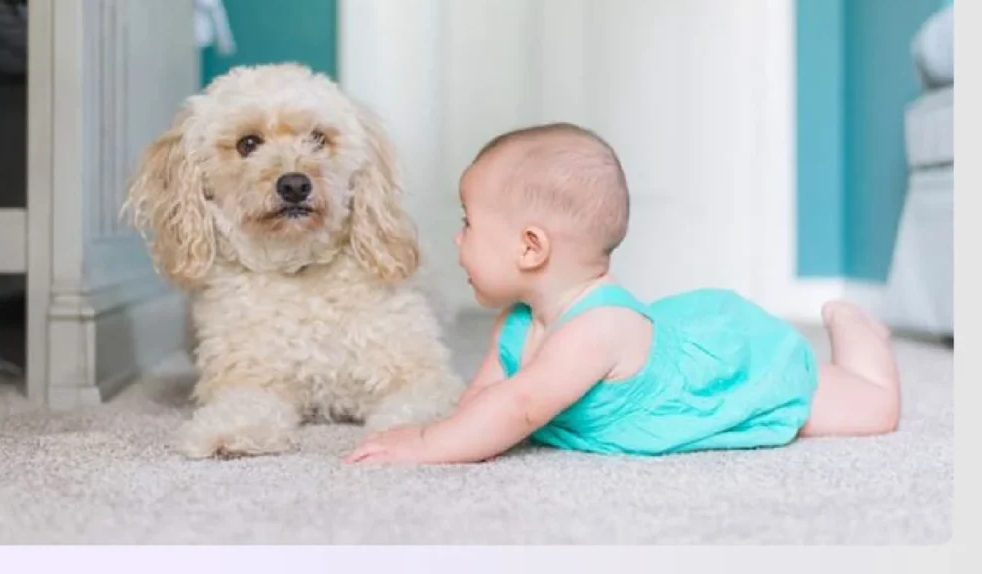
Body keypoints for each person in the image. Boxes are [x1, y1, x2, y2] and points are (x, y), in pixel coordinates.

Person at [344, 123, 902, 465]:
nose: (457, 237)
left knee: (873, 410)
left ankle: (858, 334)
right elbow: (483, 402)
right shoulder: (515, 323)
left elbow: (518, 407)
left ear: (530, 248)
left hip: (725, 368)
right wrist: (451, 431)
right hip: (669, 336)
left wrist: (425, 444)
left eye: (469, 224)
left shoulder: (595, 330)